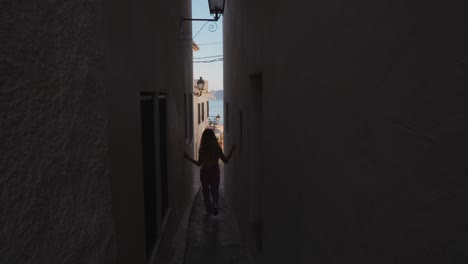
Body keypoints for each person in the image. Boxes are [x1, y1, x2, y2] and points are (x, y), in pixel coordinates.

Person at [184, 129, 235, 216]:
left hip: (204, 172)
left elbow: (199, 164)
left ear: (204, 138)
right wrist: (232, 150)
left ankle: (209, 210)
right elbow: (225, 160)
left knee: (205, 192)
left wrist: (188, 158)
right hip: (214, 171)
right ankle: (215, 205)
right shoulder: (217, 148)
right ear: (213, 137)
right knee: (214, 190)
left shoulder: (202, 149)